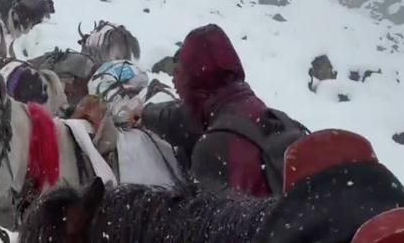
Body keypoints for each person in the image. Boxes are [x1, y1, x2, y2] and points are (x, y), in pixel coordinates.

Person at [129, 24, 305, 197]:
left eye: (178, 71)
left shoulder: (214, 148)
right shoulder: (252, 110)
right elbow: (179, 119)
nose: (173, 80)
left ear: (193, 79)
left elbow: (203, 223)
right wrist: (145, 113)